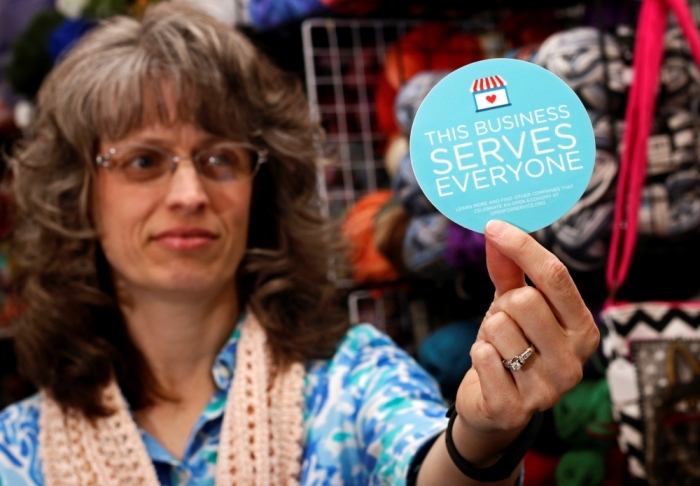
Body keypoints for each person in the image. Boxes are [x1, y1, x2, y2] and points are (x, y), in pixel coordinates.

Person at [0, 4, 599, 485]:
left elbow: (429, 463)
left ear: (263, 188)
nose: (188, 192)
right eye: (143, 160)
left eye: (219, 158)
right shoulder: (16, 452)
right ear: (77, 192)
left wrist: (485, 436)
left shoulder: (353, 379)